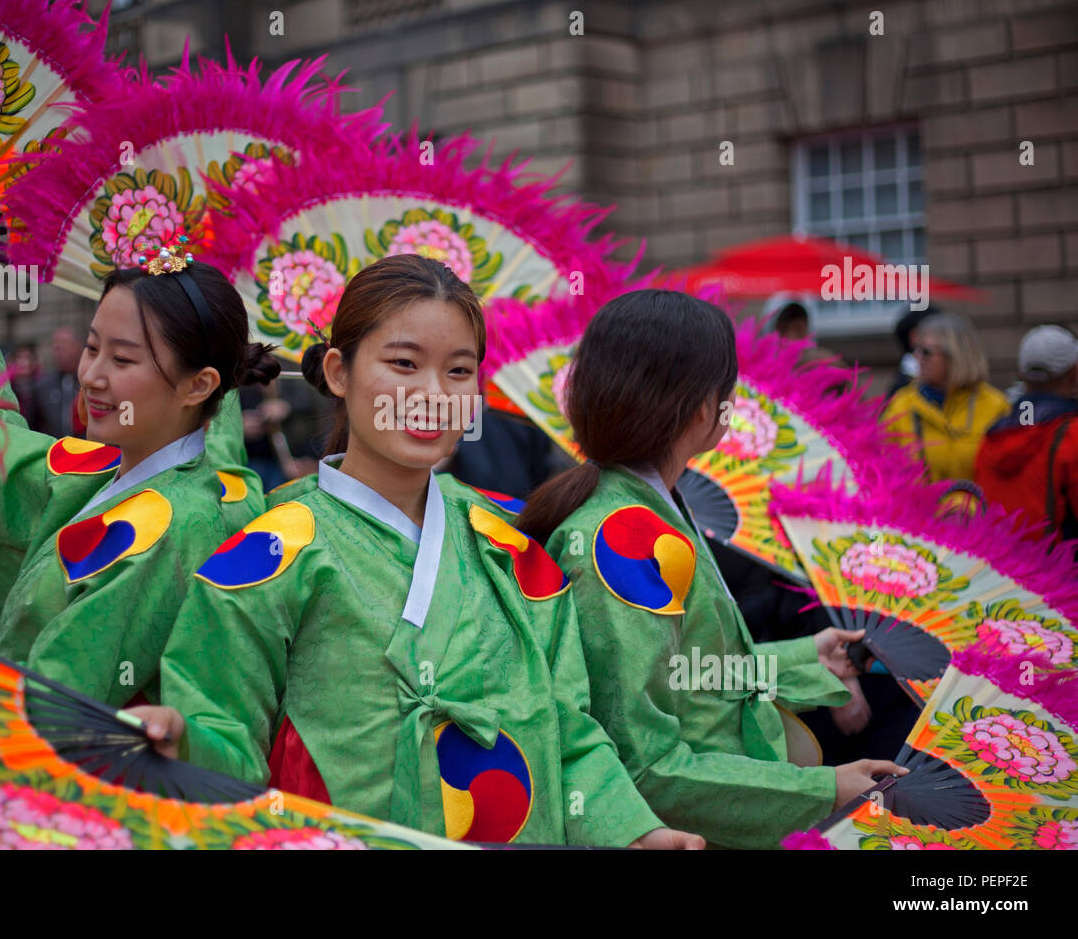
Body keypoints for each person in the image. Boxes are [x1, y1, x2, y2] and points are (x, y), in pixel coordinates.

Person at [132, 255, 703, 848]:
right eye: (403, 364)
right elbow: (223, 728)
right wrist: (184, 741)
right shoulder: (269, 551)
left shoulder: (508, 544)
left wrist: (633, 833)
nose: (433, 394)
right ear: (337, 372)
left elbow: (568, 730)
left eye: (459, 372)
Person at [513, 289, 907, 849]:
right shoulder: (621, 539)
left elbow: (688, 676)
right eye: (729, 390)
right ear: (703, 408)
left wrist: (804, 657)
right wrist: (823, 789)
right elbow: (644, 765)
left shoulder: (650, 507)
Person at [0, 213, 276, 707]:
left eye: (122, 360)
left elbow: (58, 700)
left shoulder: (179, 522)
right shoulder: (107, 472)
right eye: (92, 347)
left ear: (198, 385)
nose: (92, 375)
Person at [975, 324, 1078, 546]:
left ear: (1022, 374)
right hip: (1062, 572)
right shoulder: (1071, 435)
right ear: (1073, 372)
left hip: (1006, 571)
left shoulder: (992, 437)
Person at [882, 312, 1010, 482]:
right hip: (922, 508)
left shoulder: (996, 405)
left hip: (979, 508)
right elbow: (881, 467)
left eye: (926, 352)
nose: (917, 358)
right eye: (916, 350)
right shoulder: (901, 405)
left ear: (955, 354)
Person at [34, 326, 85, 438]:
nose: (57, 351)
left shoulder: (91, 383)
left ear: (78, 347)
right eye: (55, 346)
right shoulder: (43, 387)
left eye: (63, 345)